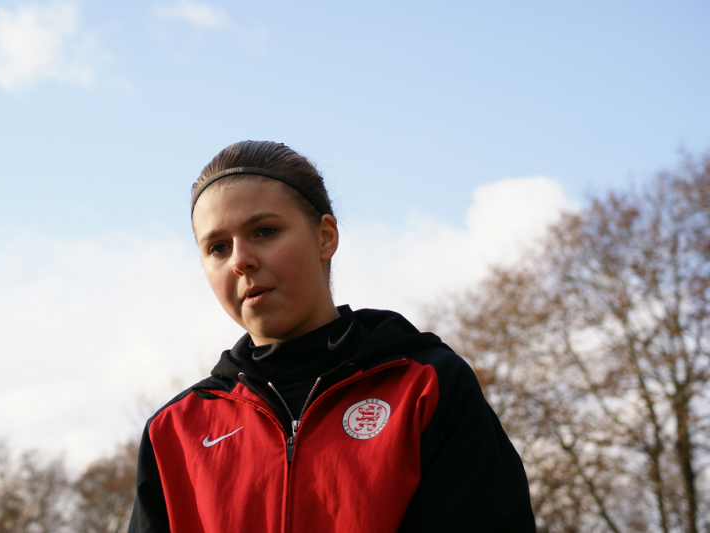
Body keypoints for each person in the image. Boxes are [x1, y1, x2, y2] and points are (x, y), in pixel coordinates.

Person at [128, 141, 535, 532]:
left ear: (325, 237)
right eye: (218, 247)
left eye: (265, 231)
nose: (240, 260)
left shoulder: (427, 385)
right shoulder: (173, 432)